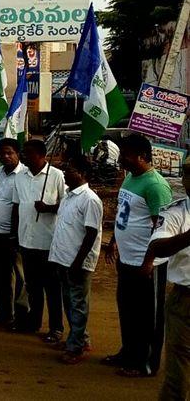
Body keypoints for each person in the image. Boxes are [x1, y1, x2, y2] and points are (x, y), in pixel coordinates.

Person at [103, 133, 173, 377]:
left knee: (148, 316)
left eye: (127, 155)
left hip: (147, 264)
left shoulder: (155, 186)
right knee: (128, 309)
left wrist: (150, 261)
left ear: (142, 157)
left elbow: (163, 228)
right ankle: (129, 351)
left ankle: (146, 363)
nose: (122, 159)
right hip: (127, 259)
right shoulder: (130, 178)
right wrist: (113, 242)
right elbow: (125, 215)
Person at [141, 159, 190, 398]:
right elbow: (158, 246)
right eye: (189, 174)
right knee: (179, 371)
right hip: (185, 302)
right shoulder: (176, 212)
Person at [48, 157, 103, 365]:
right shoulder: (69, 197)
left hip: (77, 262)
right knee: (70, 302)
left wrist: (77, 262)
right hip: (63, 258)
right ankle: (80, 338)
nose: (64, 173)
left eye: (69, 169)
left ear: (82, 174)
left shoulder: (89, 199)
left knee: (78, 303)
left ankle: (76, 347)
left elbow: (91, 234)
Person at [11, 139, 66, 342]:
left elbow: (67, 204)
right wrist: (15, 235)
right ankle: (34, 321)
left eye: (29, 153)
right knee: (32, 286)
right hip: (26, 240)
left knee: (52, 288)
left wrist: (49, 208)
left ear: (42, 155)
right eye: (24, 153)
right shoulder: (20, 177)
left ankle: (56, 327)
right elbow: (16, 207)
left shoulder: (57, 175)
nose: (24, 156)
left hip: (48, 242)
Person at [0, 138, 29, 328]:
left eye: (9, 153)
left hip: (14, 235)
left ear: (18, 154)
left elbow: (20, 207)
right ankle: (3, 311)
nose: (5, 156)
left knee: (20, 275)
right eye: (2, 153)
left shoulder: (24, 175)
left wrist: (15, 234)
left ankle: (21, 314)